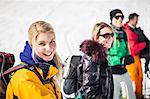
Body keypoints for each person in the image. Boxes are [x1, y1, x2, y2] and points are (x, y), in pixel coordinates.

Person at [6, 21, 63, 99]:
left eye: (52, 42)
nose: (49, 48)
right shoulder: (24, 78)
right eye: (42, 43)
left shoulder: (46, 72)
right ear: (32, 45)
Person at [62, 22, 114, 99]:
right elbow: (90, 90)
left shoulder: (102, 56)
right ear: (97, 37)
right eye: (106, 35)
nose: (111, 38)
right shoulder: (93, 57)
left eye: (112, 35)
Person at [109, 9, 136, 99]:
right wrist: (120, 60)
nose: (120, 19)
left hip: (123, 69)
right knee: (115, 95)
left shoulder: (123, 33)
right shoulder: (109, 33)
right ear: (112, 19)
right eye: (117, 17)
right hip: (113, 71)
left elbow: (126, 49)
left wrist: (128, 57)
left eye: (122, 17)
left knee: (130, 95)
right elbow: (106, 54)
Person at [124, 13, 146, 98]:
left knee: (140, 77)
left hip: (136, 56)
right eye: (135, 20)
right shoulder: (128, 31)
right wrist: (144, 44)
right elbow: (133, 48)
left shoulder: (133, 29)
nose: (137, 22)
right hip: (132, 56)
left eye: (137, 20)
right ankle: (134, 96)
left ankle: (138, 95)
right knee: (134, 77)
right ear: (131, 19)